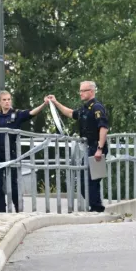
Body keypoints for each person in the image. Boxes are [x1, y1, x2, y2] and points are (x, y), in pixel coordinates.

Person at [0, 91, 47, 213]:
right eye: (4, 100)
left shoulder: (16, 115)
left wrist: (44, 103)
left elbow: (31, 113)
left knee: (13, 185)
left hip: (11, 155)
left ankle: (18, 209)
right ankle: (1, 210)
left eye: (9, 99)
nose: (7, 102)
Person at [47, 81, 109, 212]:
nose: (80, 93)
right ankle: (96, 206)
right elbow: (70, 113)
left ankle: (96, 207)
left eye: (83, 91)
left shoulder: (97, 107)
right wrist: (55, 103)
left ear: (91, 91)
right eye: (80, 91)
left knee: (92, 178)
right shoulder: (85, 108)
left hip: (96, 147)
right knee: (85, 178)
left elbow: (103, 128)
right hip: (89, 147)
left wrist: (99, 149)